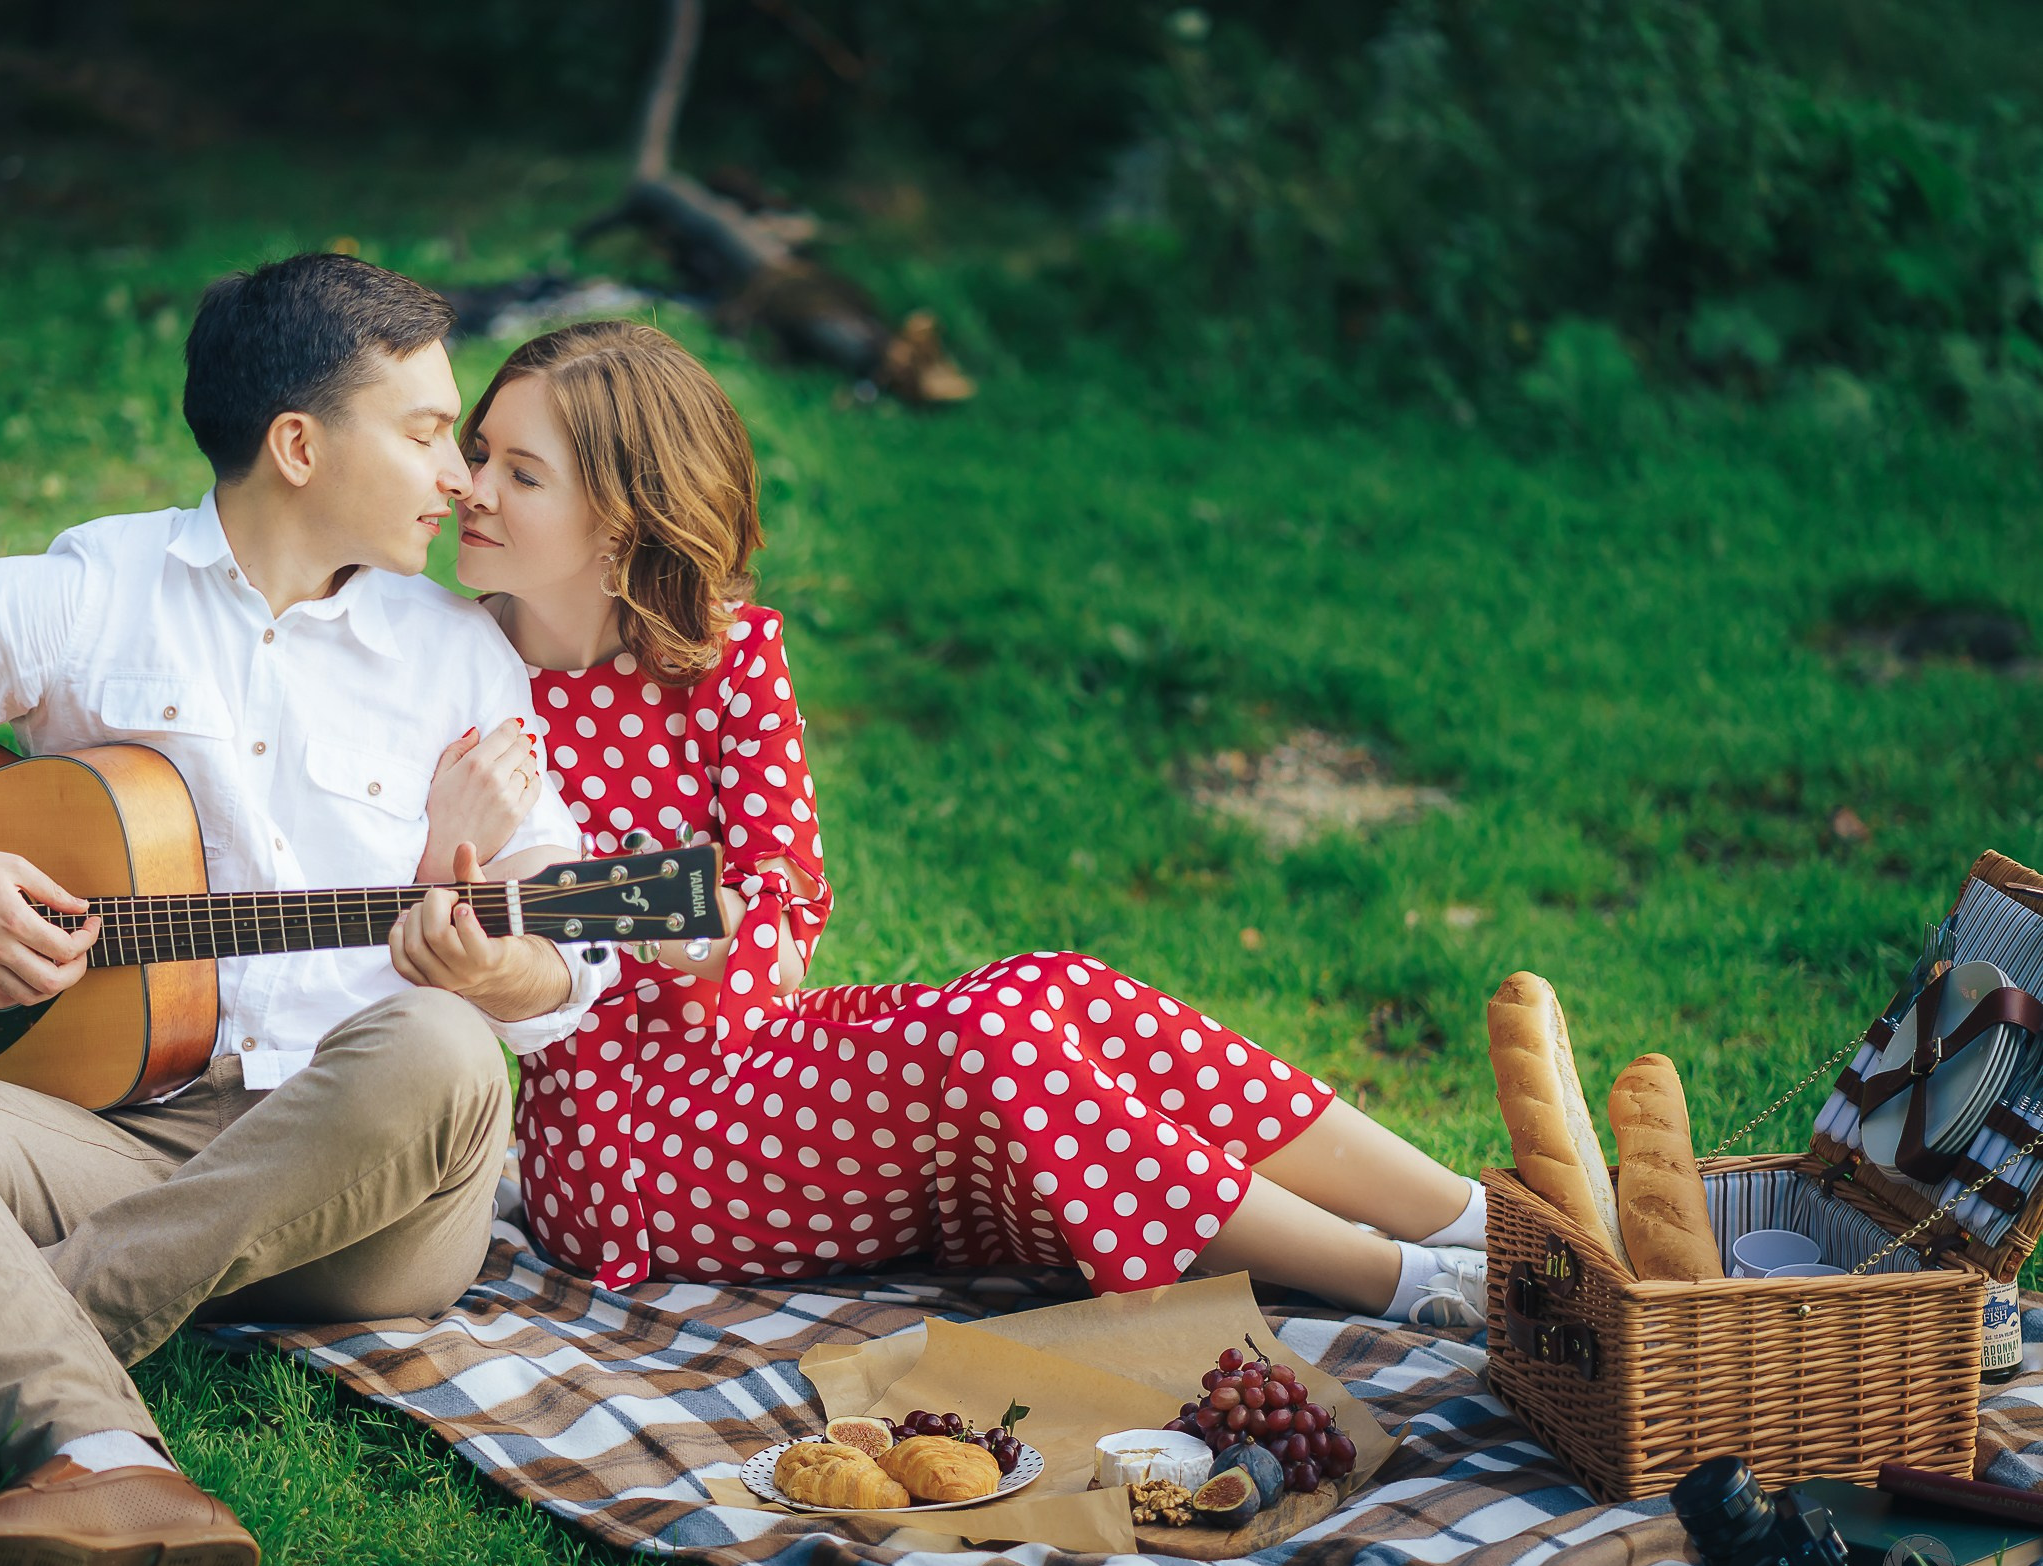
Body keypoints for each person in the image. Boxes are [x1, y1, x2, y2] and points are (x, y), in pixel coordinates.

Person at [0, 256, 606, 1566]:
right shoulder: (91, 591)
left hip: (371, 1189)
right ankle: (102, 1457)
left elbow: (565, 977)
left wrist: (488, 958)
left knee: (445, 1040)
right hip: (122, 1122)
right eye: (421, 432)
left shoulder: (459, 653)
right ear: (297, 444)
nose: (458, 476)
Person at [426, 319, 1491, 1320]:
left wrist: (635, 911)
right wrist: (689, 914)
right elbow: (556, 928)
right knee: (986, 1034)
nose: (468, 488)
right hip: (629, 1149)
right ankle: (1405, 1284)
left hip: (761, 1058)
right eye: (481, 454)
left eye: (518, 473)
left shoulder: (724, 653)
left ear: (621, 523)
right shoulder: (451, 677)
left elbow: (787, 914)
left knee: (1048, 987)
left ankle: (1477, 1217)